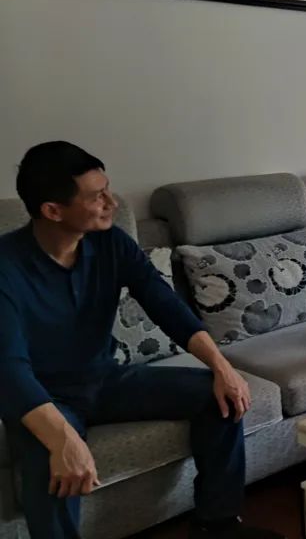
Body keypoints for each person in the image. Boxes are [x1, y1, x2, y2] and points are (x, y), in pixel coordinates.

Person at [0, 142, 280, 538]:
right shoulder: (6, 266)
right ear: (53, 210)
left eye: (108, 189)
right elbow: (9, 368)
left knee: (218, 397)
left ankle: (217, 525)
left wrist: (222, 367)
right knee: (51, 461)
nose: (111, 203)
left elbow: (165, 304)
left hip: (105, 379)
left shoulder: (111, 243)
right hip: (43, 398)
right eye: (96, 197)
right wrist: (63, 438)